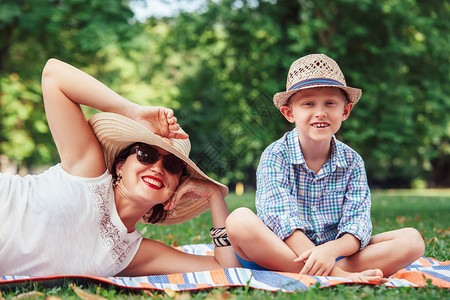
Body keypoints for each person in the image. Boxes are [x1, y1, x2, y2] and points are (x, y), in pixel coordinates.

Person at [0, 58, 240, 276]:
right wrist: (131, 111)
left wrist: (214, 196)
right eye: (145, 154)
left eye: (172, 164)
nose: (157, 167)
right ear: (120, 166)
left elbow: (225, 269)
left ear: (176, 187)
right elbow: (53, 74)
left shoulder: (132, 254)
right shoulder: (90, 170)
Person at [226, 54, 425, 282]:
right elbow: (279, 218)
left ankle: (329, 273)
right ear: (289, 113)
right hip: (280, 252)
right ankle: (339, 277)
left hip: (336, 254)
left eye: (330, 103)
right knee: (238, 220)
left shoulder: (353, 162)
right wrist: (322, 259)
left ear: (345, 111)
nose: (320, 112)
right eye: (308, 104)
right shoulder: (275, 155)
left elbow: (357, 223)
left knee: (412, 240)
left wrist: (329, 251)